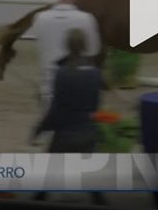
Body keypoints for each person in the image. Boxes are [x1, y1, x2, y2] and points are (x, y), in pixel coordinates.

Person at [30, 28, 106, 204]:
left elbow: (57, 109)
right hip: (88, 133)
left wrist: (39, 129)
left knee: (49, 173)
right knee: (92, 176)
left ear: (67, 46)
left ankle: (38, 198)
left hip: (65, 135)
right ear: (85, 46)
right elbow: (95, 105)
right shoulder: (95, 73)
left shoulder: (61, 73)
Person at [33, 0, 101, 110]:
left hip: (49, 85)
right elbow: (94, 50)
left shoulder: (40, 18)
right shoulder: (86, 19)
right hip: (78, 86)